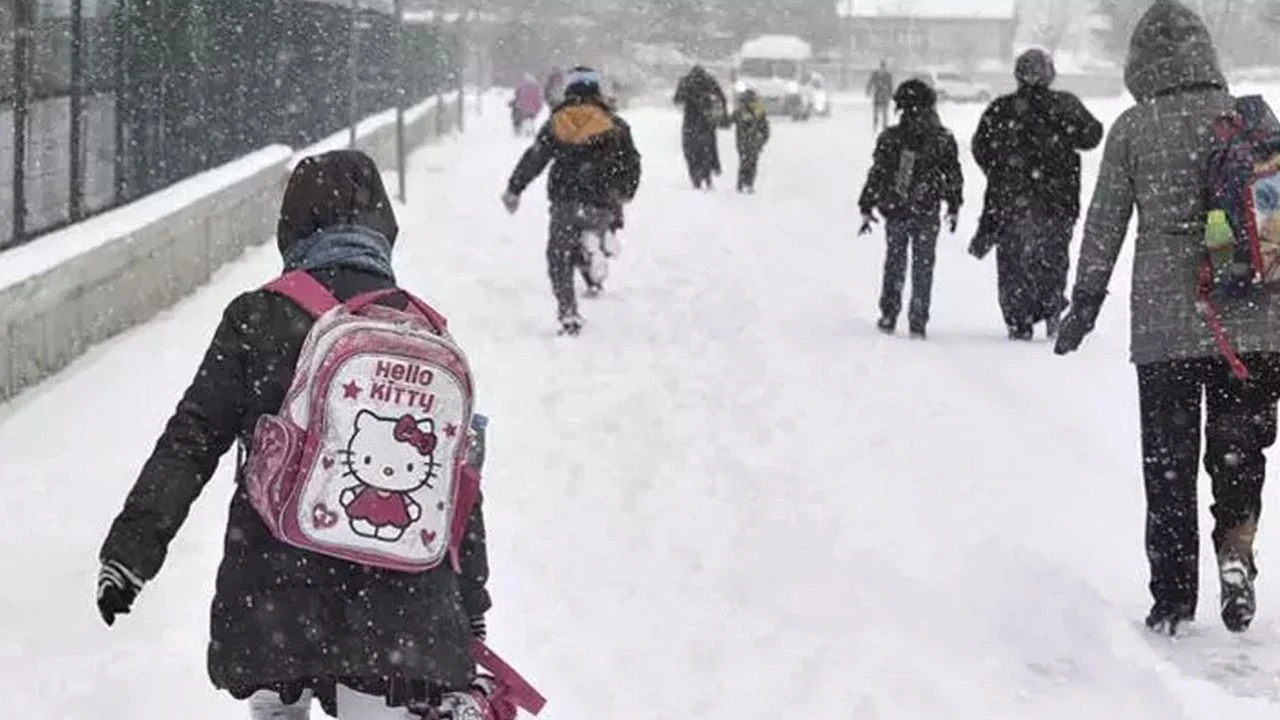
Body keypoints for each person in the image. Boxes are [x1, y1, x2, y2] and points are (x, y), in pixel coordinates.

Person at [94, 150, 495, 718]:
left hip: (274, 591)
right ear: (384, 227)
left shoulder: (258, 317)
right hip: (399, 607)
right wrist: (469, 602)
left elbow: (192, 439)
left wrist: (130, 554)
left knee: (277, 706)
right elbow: (458, 488)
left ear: (292, 226)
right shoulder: (424, 330)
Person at [1055, 0, 1280, 636]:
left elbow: (1104, 225)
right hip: (1254, 325)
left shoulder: (1134, 127)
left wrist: (1084, 305)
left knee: (1170, 465)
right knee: (1239, 451)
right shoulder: (1247, 120)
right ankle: (1236, 554)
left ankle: (1174, 599)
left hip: (1166, 328)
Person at [971, 49, 1103, 340]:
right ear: (1050, 74)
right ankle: (1051, 306)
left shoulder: (1001, 109)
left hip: (1010, 200)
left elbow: (980, 147)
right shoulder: (1065, 105)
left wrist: (1001, 170)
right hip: (1059, 200)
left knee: (1013, 261)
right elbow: (1092, 135)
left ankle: (1019, 318)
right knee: (1053, 257)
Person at [502, 66, 642, 336]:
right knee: (591, 232)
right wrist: (625, 191)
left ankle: (568, 311)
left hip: (565, 199)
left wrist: (514, 189)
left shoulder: (557, 122)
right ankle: (596, 250)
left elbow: (535, 158)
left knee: (559, 255)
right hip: (601, 200)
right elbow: (631, 163)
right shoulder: (615, 125)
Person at [858, 79, 963, 340]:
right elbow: (953, 175)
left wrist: (867, 202)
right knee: (923, 265)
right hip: (927, 209)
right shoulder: (942, 139)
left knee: (895, 261)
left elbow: (878, 173)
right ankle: (918, 318)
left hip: (897, 208)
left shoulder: (892, 138)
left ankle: (889, 312)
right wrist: (953, 204)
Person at [673, 65, 728, 190]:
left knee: (691, 150)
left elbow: (677, 99)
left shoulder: (686, 81)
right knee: (708, 148)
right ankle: (708, 172)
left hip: (690, 121)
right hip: (706, 121)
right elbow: (722, 97)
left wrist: (689, 99)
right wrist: (722, 115)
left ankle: (696, 176)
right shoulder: (709, 81)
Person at [731, 89, 771, 193]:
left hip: (745, 142)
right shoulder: (757, 111)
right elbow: (765, 128)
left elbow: (728, 120)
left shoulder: (741, 111)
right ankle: (747, 183)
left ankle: (743, 183)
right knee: (751, 162)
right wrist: (762, 139)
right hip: (753, 142)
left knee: (745, 161)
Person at [866, 60, 894, 134]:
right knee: (876, 112)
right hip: (877, 95)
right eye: (882, 67)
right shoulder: (875, 74)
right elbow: (870, 82)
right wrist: (868, 90)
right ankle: (875, 125)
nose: (883, 68)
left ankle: (884, 127)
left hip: (885, 96)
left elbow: (890, 85)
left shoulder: (888, 75)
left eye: (884, 67)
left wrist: (891, 94)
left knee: (885, 112)